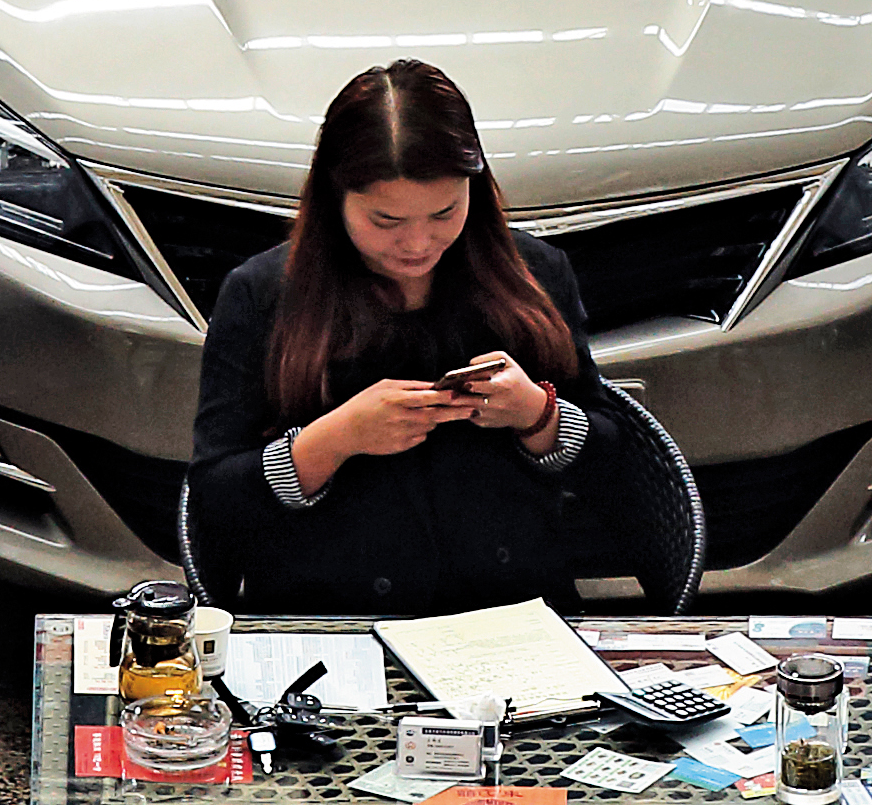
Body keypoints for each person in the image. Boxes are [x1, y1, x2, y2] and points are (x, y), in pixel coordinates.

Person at [182, 58, 654, 617]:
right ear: (335, 199)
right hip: (330, 614)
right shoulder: (263, 295)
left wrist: (537, 414)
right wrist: (334, 438)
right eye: (385, 221)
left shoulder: (533, 274)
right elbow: (215, 503)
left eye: (444, 212)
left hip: (511, 612)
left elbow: (615, 465)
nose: (417, 243)